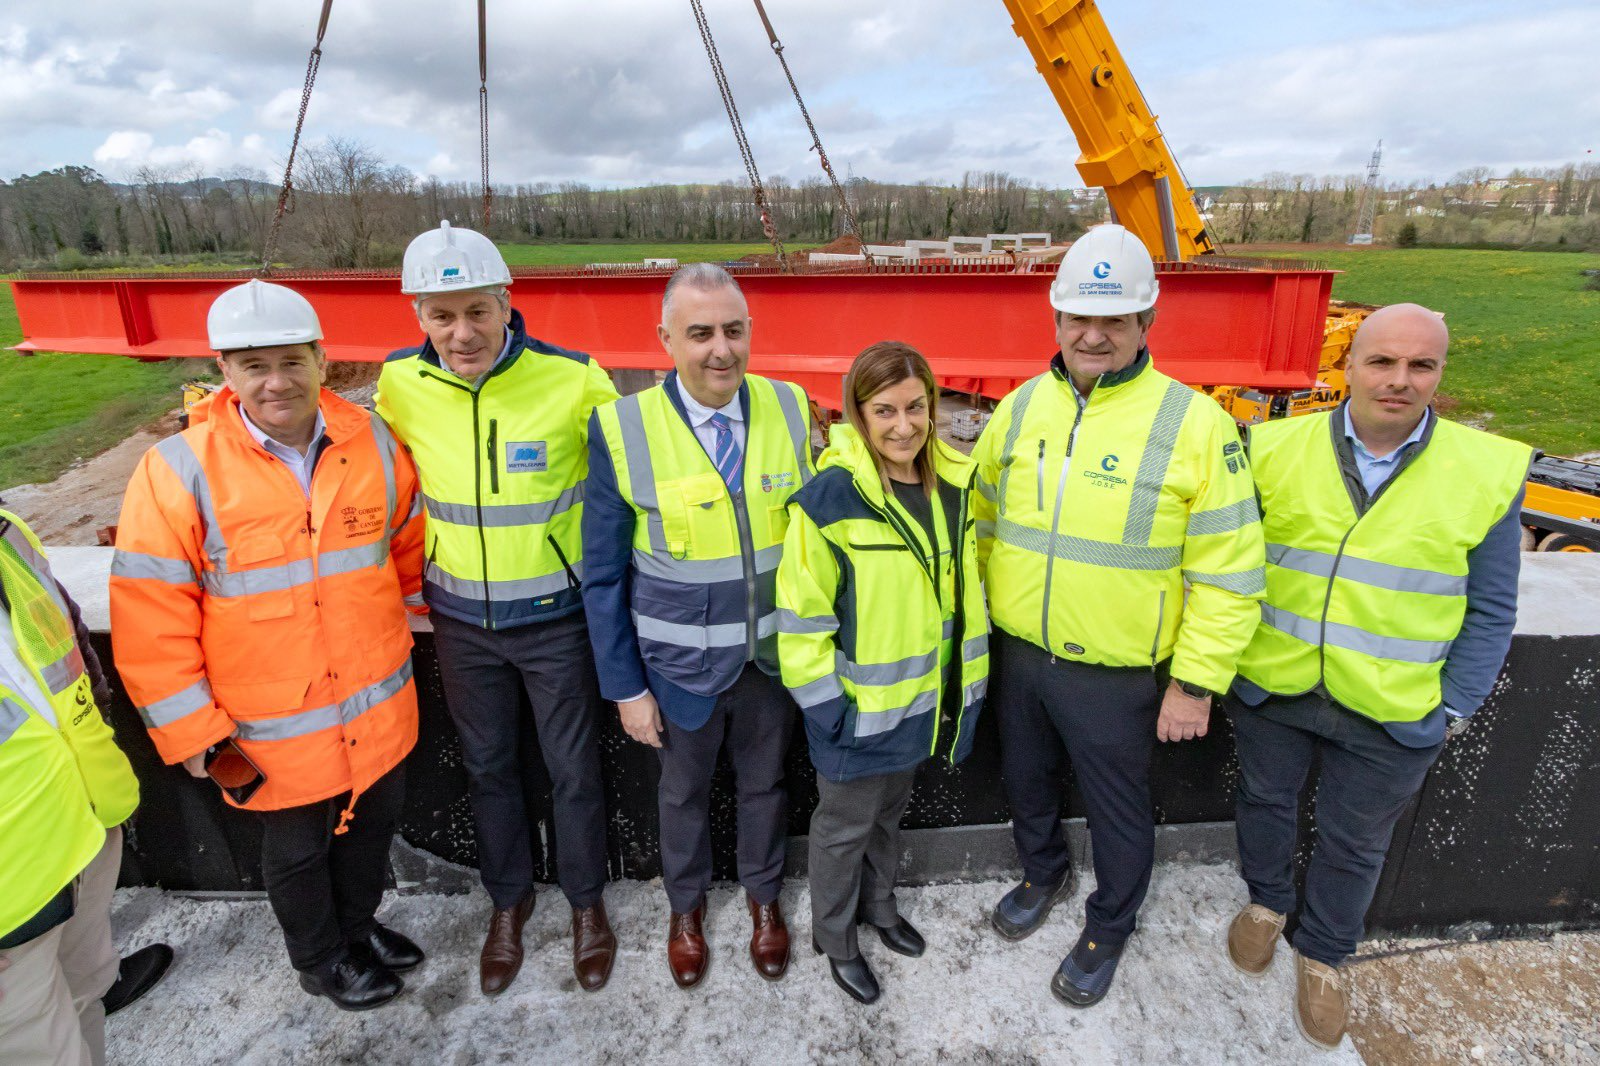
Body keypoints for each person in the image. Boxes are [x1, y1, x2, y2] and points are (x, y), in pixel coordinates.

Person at [969, 224, 1266, 1006]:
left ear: (1147, 323)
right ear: (1056, 319)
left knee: (1118, 811)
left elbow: (1232, 574)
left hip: (1121, 673)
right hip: (1021, 655)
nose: (1092, 335)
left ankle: (1109, 924)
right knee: (1025, 780)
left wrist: (1196, 682)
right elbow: (983, 521)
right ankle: (1043, 873)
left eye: (1114, 320)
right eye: (1077, 319)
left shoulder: (1194, 425)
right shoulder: (1022, 406)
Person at [111, 279, 426, 1011]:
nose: (276, 381)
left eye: (291, 360)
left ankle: (357, 926)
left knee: (369, 829)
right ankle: (322, 961)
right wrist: (194, 731)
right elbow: (149, 614)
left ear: (323, 360)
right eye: (254, 365)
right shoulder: (179, 469)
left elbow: (404, 541)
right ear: (226, 372)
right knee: (296, 850)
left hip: (373, 698)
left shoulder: (369, 441)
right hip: (270, 724)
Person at [1223, 303, 1532, 1051]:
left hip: (1394, 705)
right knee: (1263, 801)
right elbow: (1227, 566)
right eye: (1382, 361)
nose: (1399, 380)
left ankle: (1325, 953)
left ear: (1440, 374)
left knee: (1355, 842)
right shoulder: (1270, 447)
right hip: (1275, 683)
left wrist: (1454, 703)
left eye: (1420, 365)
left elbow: (1492, 606)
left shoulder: (1486, 470)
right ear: (1349, 366)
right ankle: (1266, 904)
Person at [375, 222, 621, 995]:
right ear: (418, 314)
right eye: (441, 315)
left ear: (507, 303)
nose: (461, 333)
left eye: (476, 311)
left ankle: (586, 906)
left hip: (556, 618)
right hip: (458, 621)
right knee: (486, 768)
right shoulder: (398, 385)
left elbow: (625, 488)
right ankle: (508, 906)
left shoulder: (576, 379)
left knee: (574, 769)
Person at [583, 262, 814, 988]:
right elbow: (603, 573)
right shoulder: (623, 427)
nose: (722, 349)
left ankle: (764, 902)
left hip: (771, 661)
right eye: (701, 333)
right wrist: (625, 688)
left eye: (734, 330)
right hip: (676, 671)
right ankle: (685, 912)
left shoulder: (791, 406)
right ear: (665, 340)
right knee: (681, 794)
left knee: (765, 788)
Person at [775, 342, 989, 1004]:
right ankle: (834, 939)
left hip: (919, 706)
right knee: (842, 832)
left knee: (889, 818)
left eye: (916, 407)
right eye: (884, 411)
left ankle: (880, 907)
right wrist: (826, 709)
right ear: (859, 416)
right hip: (852, 714)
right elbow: (802, 617)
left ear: (933, 405)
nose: (903, 426)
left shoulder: (954, 489)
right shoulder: (830, 501)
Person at [0, 509, 141, 1064]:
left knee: (87, 1000)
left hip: (84, 828)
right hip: (13, 908)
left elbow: (68, 644)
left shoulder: (9, 533)